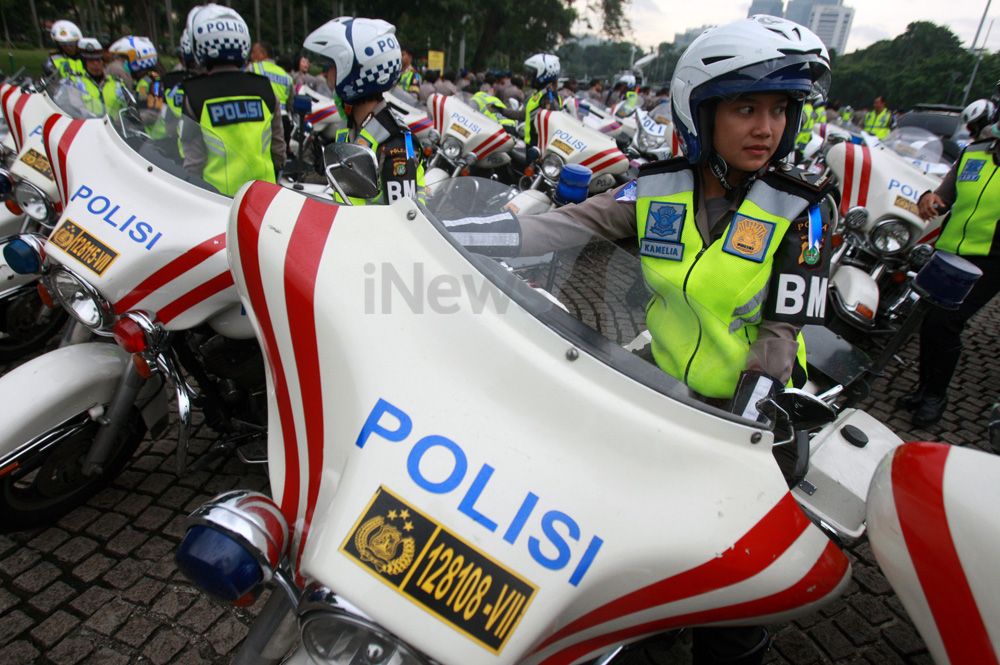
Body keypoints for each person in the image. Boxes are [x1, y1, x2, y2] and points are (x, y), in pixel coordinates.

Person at [903, 117, 1000, 427]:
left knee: (946, 322)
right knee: (929, 319)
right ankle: (923, 390)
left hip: (990, 261)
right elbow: (943, 198)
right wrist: (927, 199)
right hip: (949, 251)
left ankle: (935, 396)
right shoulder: (974, 153)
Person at [302, 16, 424, 204]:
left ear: (354, 72)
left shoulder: (394, 144)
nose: (327, 74)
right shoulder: (353, 127)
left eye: (333, 66)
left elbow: (402, 223)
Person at [179, 3, 285, 196]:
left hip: (217, 202)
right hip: (264, 199)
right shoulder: (264, 87)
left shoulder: (195, 94)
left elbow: (193, 163)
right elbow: (278, 151)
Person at [68, 38, 128, 118]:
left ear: (103, 62)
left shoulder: (116, 82)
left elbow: (127, 108)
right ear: (85, 63)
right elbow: (73, 110)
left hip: (114, 128)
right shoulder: (75, 83)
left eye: (98, 60)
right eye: (91, 61)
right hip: (89, 127)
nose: (96, 64)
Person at [515, 53, 563, 147]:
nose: (528, 77)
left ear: (544, 74)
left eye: (533, 73)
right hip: (530, 144)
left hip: (537, 149)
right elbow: (524, 115)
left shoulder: (549, 98)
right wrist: (501, 111)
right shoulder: (539, 94)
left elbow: (551, 127)